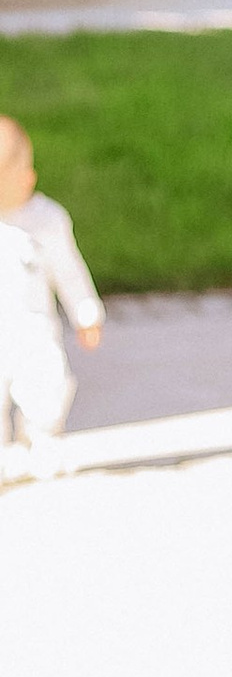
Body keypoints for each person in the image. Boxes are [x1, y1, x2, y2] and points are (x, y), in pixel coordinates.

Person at [0, 115, 103, 485]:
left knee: (45, 384)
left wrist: (86, 312)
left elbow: (69, 271)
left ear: (28, 176)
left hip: (32, 326)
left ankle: (42, 438)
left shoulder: (46, 220)